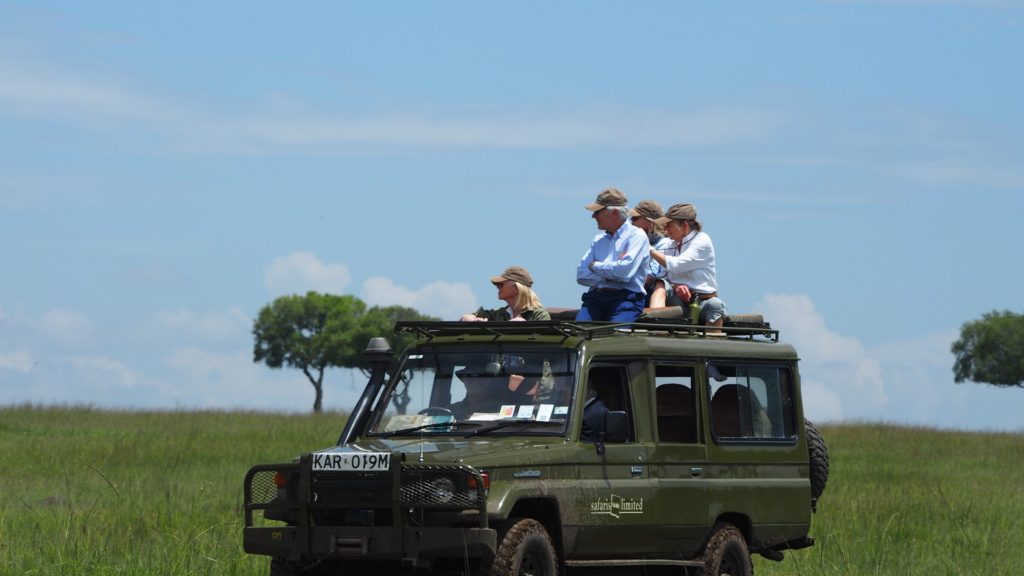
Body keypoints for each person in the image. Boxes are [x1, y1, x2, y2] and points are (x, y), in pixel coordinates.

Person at [575, 188, 651, 323]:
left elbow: (623, 272)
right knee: (579, 332)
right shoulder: (598, 240)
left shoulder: (637, 236)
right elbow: (581, 275)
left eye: (598, 211)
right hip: (596, 299)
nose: (593, 216)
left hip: (626, 299)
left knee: (615, 335)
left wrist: (594, 266)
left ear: (614, 213)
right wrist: (611, 275)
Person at [649, 203, 728, 327]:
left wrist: (649, 249)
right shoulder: (671, 244)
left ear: (684, 225)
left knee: (716, 305)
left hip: (702, 301)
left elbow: (676, 265)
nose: (665, 229)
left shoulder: (702, 240)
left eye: (669, 224)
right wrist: (675, 286)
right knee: (661, 284)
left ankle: (712, 339)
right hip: (677, 299)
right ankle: (654, 325)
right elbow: (663, 274)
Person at [460, 266, 551, 322]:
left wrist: (524, 328)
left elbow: (544, 342)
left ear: (516, 288)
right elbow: (466, 317)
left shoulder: (539, 316)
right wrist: (469, 319)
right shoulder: (497, 315)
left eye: (501, 284)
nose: (497, 287)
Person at [628, 200, 674, 308]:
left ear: (650, 222)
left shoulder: (664, 244)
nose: (631, 222)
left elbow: (651, 276)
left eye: (635, 218)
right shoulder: (636, 242)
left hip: (645, 293)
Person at [580, 368, 623, 442]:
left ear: (586, 389)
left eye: (564, 392)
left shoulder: (592, 414)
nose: (562, 396)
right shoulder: (590, 409)